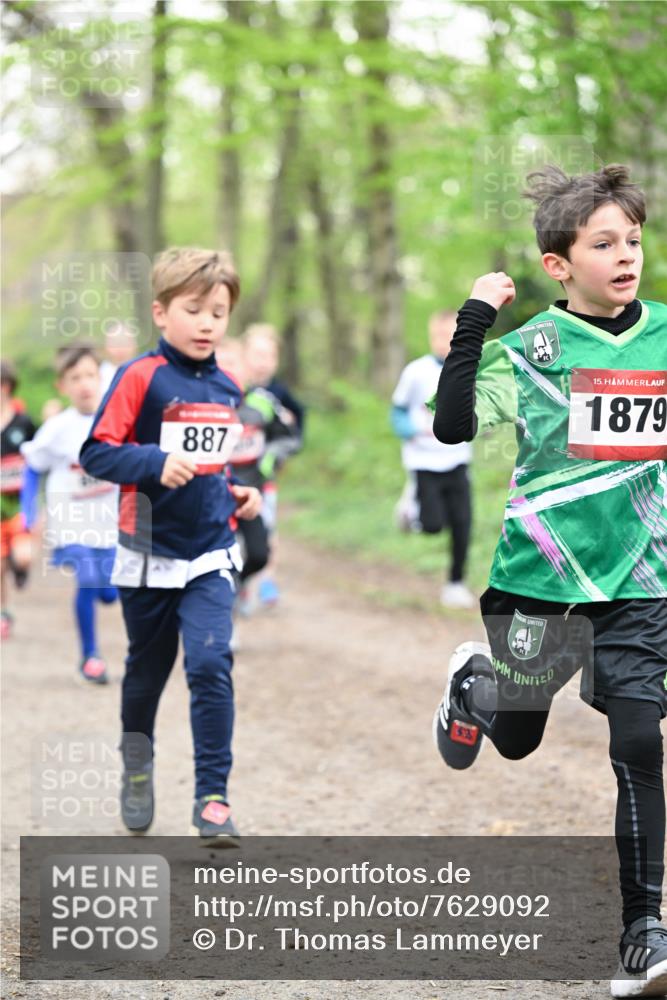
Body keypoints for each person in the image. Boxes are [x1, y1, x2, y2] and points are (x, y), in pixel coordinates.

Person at [430, 164, 667, 998]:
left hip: (640, 582)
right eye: (603, 243)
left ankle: (643, 931)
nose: (624, 255)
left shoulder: (666, 336)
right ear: (559, 265)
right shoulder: (532, 349)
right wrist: (473, 321)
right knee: (520, 737)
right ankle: (473, 691)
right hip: (540, 578)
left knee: (639, 742)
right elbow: (451, 425)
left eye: (632, 240)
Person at [80, 247, 262, 844]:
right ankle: (138, 765)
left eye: (219, 311)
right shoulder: (140, 376)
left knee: (211, 664)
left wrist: (237, 493)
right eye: (195, 310)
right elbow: (97, 452)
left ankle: (213, 797)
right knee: (147, 675)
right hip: (148, 548)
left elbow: (212, 467)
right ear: (162, 314)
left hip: (211, 551)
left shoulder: (229, 387)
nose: (209, 323)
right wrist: (157, 462)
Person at [20, 344, 118, 682]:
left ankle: (103, 601)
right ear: (63, 386)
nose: (85, 384)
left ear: (102, 379)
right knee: (87, 577)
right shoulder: (58, 428)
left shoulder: (118, 423)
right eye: (75, 378)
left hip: (109, 526)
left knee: (108, 592)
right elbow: (32, 467)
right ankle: (90, 656)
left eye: (90, 375)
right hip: (70, 524)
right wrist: (28, 512)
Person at [391, 311, 475, 609]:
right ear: (431, 337)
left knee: (464, 523)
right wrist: (412, 429)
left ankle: (455, 583)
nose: (444, 342)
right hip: (423, 462)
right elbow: (397, 411)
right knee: (433, 525)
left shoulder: (467, 370)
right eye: (439, 336)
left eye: (450, 336)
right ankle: (410, 507)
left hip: (457, 459)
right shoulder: (416, 372)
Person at [216, 337, 301, 615]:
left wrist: (269, 459)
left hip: (253, 493)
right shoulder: (205, 404)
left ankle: (239, 586)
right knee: (220, 559)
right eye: (220, 364)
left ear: (246, 367)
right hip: (216, 497)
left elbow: (290, 437)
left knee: (260, 554)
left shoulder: (262, 402)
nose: (227, 369)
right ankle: (226, 621)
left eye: (233, 363)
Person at [241, 323, 305, 607]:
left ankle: (267, 578)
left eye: (269, 356)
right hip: (237, 471)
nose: (262, 362)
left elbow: (298, 420)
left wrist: (285, 446)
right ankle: (241, 581)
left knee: (268, 528)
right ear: (244, 356)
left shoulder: (279, 392)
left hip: (265, 474)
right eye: (257, 354)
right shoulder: (235, 386)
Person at [0, 361, 36, 638]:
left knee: (22, 558)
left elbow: (39, 458)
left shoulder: (23, 423)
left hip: (20, 504)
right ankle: (3, 613)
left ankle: (19, 568)